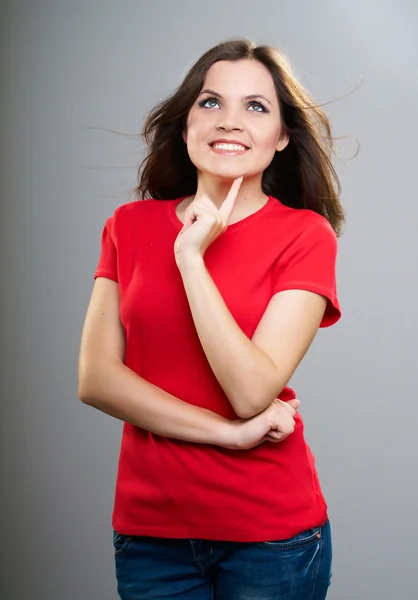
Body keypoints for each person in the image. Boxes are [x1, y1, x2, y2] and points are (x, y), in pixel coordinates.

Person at [78, 37, 345, 600]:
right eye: (209, 102)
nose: (230, 121)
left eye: (256, 106)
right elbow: (97, 380)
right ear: (185, 126)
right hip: (152, 535)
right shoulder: (127, 225)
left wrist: (191, 257)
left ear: (281, 138)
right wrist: (227, 435)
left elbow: (252, 391)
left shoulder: (304, 236)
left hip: (269, 538)